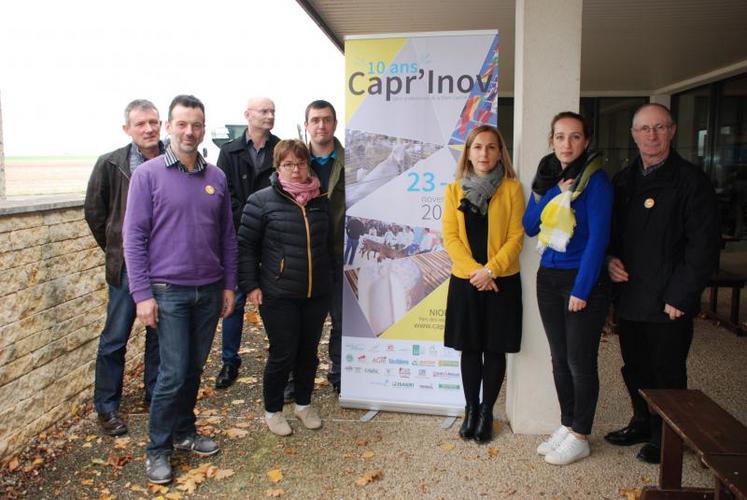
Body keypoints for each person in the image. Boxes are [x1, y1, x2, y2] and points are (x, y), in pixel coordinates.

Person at [124, 95, 237, 484]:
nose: (190, 131)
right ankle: (157, 449)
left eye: (197, 125)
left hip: (208, 291)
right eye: (182, 124)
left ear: (204, 128)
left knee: (193, 368)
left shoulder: (216, 178)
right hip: (167, 291)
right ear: (170, 127)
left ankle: (185, 432)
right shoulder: (148, 175)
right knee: (171, 373)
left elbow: (227, 236)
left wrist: (229, 286)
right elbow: (133, 237)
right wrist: (142, 295)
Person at [605, 103, 719, 464]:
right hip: (631, 295)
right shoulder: (623, 181)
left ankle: (665, 435)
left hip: (669, 298)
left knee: (666, 370)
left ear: (671, 131)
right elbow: (609, 234)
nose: (651, 135)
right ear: (634, 135)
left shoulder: (691, 181)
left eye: (659, 128)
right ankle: (641, 420)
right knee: (633, 365)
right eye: (644, 129)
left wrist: (682, 294)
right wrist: (608, 261)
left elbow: (703, 245)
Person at [522, 112, 613, 465]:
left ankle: (581, 434)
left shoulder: (597, 182)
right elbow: (530, 226)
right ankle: (567, 422)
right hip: (549, 278)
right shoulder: (547, 176)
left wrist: (583, 289)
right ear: (552, 141)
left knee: (580, 361)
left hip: (580, 279)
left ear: (586, 141)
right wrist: (552, 196)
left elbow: (598, 240)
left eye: (575, 137)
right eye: (560, 137)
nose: (567, 144)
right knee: (559, 358)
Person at [237, 139, 331, 436]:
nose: (295, 169)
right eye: (288, 164)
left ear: (308, 165)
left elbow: (327, 244)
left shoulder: (320, 200)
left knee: (309, 353)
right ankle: (273, 410)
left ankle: (303, 404)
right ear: (277, 167)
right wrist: (250, 285)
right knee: (283, 352)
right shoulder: (261, 201)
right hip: (279, 294)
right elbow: (246, 247)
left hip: (315, 293)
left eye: (301, 163)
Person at [84, 99, 163, 436]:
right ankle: (106, 407)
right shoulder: (111, 164)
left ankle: (154, 395)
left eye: (154, 122)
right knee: (115, 338)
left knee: (159, 335)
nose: (148, 129)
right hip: (127, 269)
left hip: (165, 266)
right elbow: (95, 212)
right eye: (141, 123)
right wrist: (117, 249)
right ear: (127, 129)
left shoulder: (174, 160)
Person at [442, 125, 525, 444]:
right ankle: (470, 409)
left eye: (491, 147)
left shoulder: (512, 189)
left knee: (494, 348)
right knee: (470, 348)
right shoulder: (453, 191)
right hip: (466, 282)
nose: (484, 154)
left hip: (501, 282)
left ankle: (487, 411)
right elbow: (450, 238)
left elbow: (516, 237)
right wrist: (477, 272)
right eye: (478, 147)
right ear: (468, 152)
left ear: (499, 152)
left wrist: (491, 271)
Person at [214, 97, 280, 389]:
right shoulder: (229, 152)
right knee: (236, 301)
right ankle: (229, 362)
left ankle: (281, 357)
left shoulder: (280, 148)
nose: (269, 116)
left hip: (273, 239)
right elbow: (223, 195)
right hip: (240, 238)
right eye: (264, 111)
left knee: (274, 302)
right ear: (248, 115)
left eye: (272, 111)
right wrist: (252, 218)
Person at [304, 99, 345, 392]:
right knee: (305, 324)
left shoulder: (352, 160)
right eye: (315, 120)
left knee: (342, 320)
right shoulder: (294, 161)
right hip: (305, 258)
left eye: (327, 119)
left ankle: (340, 372)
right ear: (307, 125)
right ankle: (300, 375)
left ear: (335, 124)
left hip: (342, 254)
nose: (321, 125)